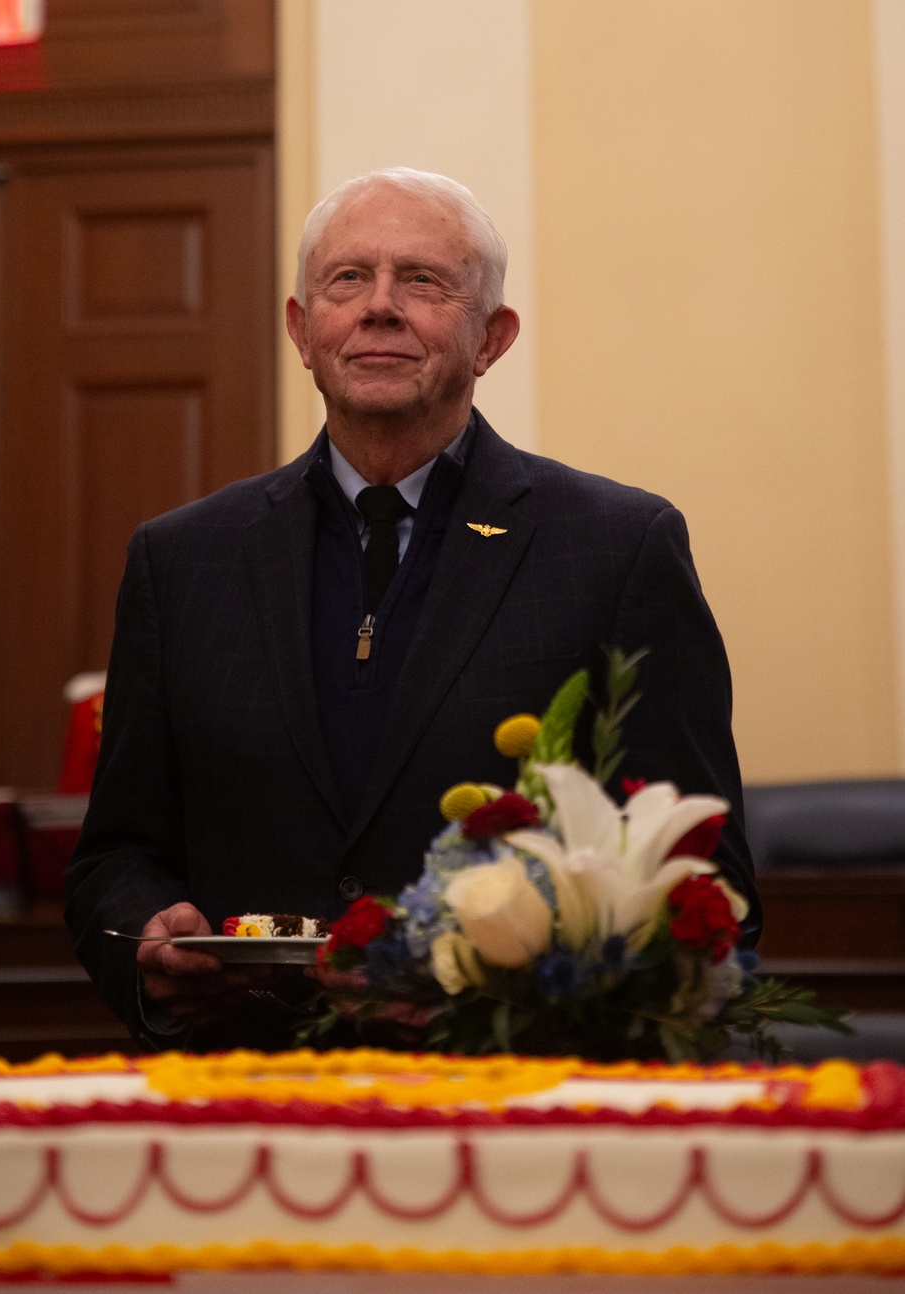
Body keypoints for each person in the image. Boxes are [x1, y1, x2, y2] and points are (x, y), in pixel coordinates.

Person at [66, 167, 759, 1052]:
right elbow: (114, 857)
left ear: (491, 339)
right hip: (247, 1097)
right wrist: (149, 944)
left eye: (424, 281)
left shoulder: (616, 547)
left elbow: (702, 880)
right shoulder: (182, 560)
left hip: (518, 1104)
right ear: (302, 330)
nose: (380, 306)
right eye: (347, 279)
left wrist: (525, 992)